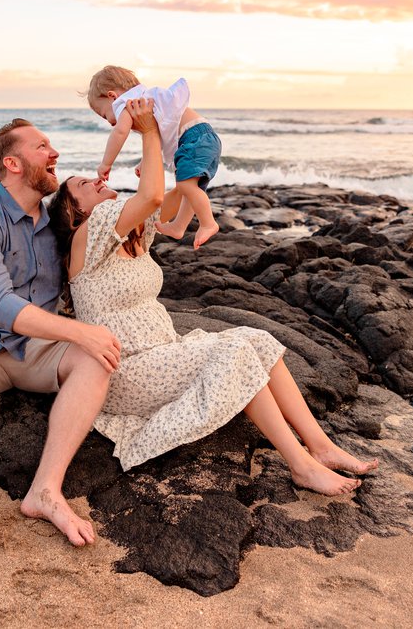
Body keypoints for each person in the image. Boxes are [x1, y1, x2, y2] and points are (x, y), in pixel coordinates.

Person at [47, 99, 378, 491]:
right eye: (85, 186)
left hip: (163, 355)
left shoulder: (127, 232)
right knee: (234, 351)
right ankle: (301, 466)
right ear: (74, 213)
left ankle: (320, 446)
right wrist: (150, 131)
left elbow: (169, 199)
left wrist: (182, 158)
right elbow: (151, 198)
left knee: (258, 339)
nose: (97, 181)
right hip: (128, 371)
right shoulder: (89, 234)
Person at [0, 104, 156, 572]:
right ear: (13, 164)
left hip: (37, 355)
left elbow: (128, 225)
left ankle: (45, 491)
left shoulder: (56, 220)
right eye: (42, 146)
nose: (54, 152)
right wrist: (79, 329)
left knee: (93, 358)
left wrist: (151, 154)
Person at [85, 65, 221, 249]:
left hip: (193, 136)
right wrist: (145, 161)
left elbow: (119, 133)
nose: (109, 121)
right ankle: (179, 226)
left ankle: (208, 223)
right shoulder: (145, 98)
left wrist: (105, 163)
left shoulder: (125, 103)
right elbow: (158, 134)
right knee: (191, 187)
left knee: (186, 185)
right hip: (201, 136)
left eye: (104, 114)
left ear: (112, 96)